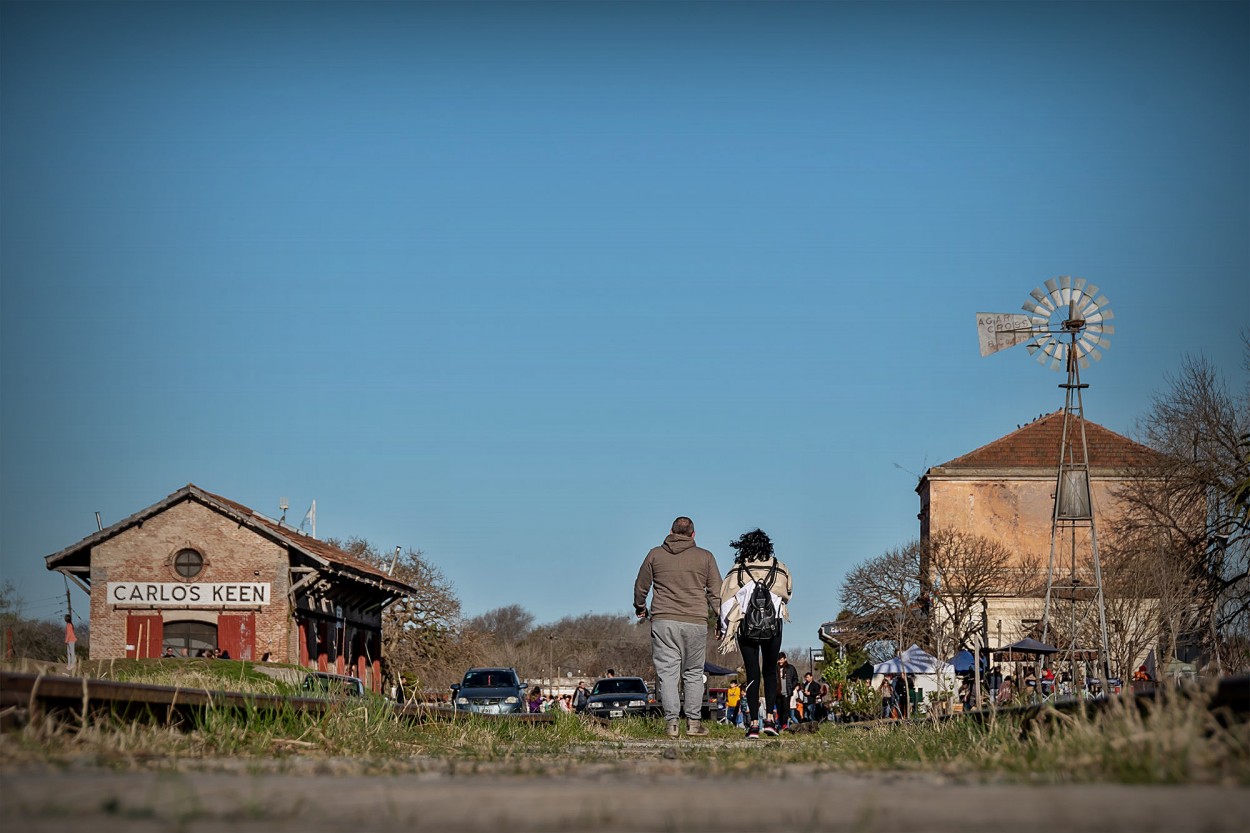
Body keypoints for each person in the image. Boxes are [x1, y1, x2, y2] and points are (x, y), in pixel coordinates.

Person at [634, 516, 723, 739]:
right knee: (693, 673)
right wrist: (722, 619)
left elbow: (641, 586)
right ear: (693, 534)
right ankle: (693, 724)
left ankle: (672, 724)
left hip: (664, 621)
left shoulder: (655, 554)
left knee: (668, 674)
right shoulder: (706, 557)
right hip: (695, 621)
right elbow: (716, 592)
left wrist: (640, 607)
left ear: (671, 531)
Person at [716, 528, 792, 739]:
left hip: (745, 627)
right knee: (769, 672)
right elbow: (788, 594)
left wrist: (724, 630)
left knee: (752, 673)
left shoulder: (738, 570)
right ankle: (770, 720)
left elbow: (726, 602)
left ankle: (753, 725)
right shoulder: (779, 568)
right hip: (773, 626)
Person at [777, 651, 800, 729]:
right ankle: (780, 724)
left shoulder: (790, 668)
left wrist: (792, 687)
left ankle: (784, 724)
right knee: (779, 709)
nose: (780, 661)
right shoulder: (775, 668)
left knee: (786, 709)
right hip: (778, 693)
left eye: (781, 659)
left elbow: (795, 679)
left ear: (785, 659)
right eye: (778, 660)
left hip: (787, 692)